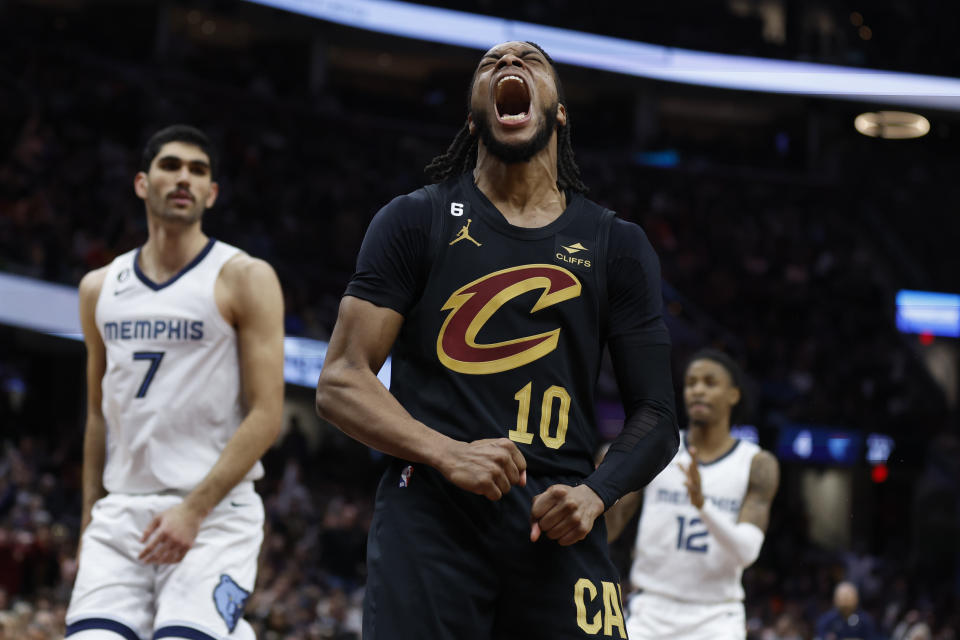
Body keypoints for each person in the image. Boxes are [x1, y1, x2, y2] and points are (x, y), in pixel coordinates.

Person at [315, 41, 679, 639]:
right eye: (491, 64)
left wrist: (596, 494)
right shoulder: (414, 219)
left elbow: (658, 415)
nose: (509, 64)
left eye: (530, 61)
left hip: (558, 515)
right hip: (433, 508)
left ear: (558, 110)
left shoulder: (616, 244)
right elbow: (339, 381)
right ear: (473, 116)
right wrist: (445, 451)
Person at [65, 125, 285, 639]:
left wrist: (193, 509)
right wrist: (86, 523)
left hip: (214, 513)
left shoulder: (244, 277)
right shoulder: (99, 288)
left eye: (198, 170)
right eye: (171, 166)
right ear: (142, 183)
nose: (183, 177)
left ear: (212, 194)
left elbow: (267, 414)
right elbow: (98, 415)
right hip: (121, 514)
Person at [605, 348, 780, 640]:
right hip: (650, 609)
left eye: (710, 383)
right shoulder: (657, 448)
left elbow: (747, 552)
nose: (698, 390)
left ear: (733, 395)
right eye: (691, 383)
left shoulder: (756, 463)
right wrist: (604, 484)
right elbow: (609, 529)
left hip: (715, 616)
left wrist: (703, 505)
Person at [814, 581, 879, 640]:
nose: (845, 599)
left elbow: (871, 637)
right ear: (835, 599)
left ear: (856, 598)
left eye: (848, 595)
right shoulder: (826, 620)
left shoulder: (865, 620)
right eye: (842, 596)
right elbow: (821, 636)